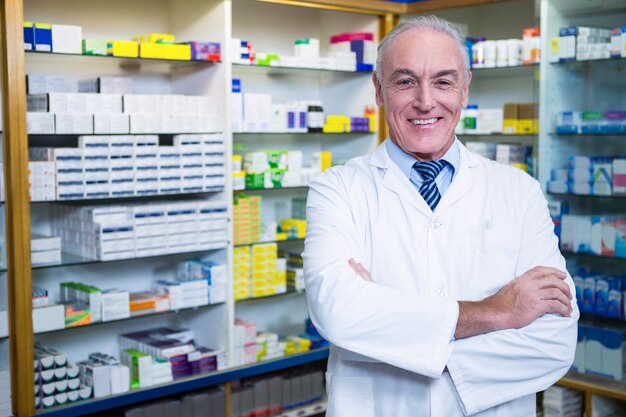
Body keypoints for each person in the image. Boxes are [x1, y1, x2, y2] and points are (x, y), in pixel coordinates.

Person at [302, 15, 578, 417]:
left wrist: (393, 331)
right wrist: (499, 312)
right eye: (404, 81)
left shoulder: (518, 191)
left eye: (444, 81)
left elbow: (554, 339)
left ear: (465, 90)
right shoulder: (337, 189)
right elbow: (339, 312)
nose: (426, 101)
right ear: (379, 90)